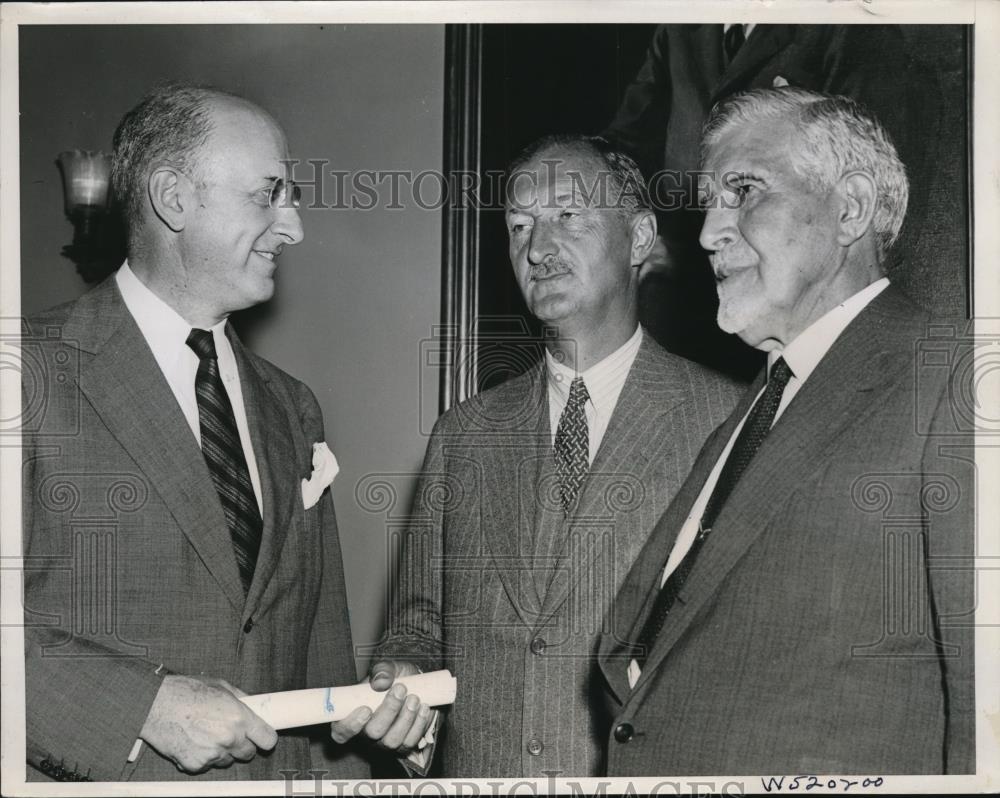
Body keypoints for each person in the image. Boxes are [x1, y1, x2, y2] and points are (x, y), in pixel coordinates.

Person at [330, 135, 742, 777]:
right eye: (519, 226)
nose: (538, 249)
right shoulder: (464, 435)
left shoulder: (727, 420)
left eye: (567, 215)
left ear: (639, 237)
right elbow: (418, 627)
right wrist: (405, 683)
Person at [599, 88, 975, 775]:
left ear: (851, 207)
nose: (708, 233)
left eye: (744, 191)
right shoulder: (752, 412)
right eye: (709, 202)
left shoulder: (954, 380)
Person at [21, 84, 373, 781]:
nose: (293, 227)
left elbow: (322, 659)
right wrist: (142, 706)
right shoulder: (27, 372)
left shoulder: (293, 406)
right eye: (268, 194)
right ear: (173, 198)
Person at [603, 24, 963, 381]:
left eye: (746, 188)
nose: (707, 235)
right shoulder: (679, 28)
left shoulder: (851, 30)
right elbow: (625, 144)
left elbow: (882, 209)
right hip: (696, 307)